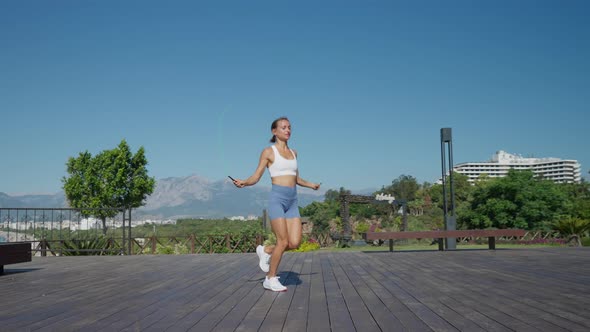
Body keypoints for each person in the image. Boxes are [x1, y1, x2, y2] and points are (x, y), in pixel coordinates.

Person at [232, 117, 320, 292]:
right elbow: (256, 176)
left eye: (289, 127)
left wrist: (311, 185)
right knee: (283, 240)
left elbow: (295, 177)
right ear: (274, 131)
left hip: (292, 202)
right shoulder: (268, 152)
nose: (287, 130)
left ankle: (265, 250)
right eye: (283, 127)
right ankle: (270, 278)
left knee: (294, 243)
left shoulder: (294, 153)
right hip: (277, 200)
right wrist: (245, 182)